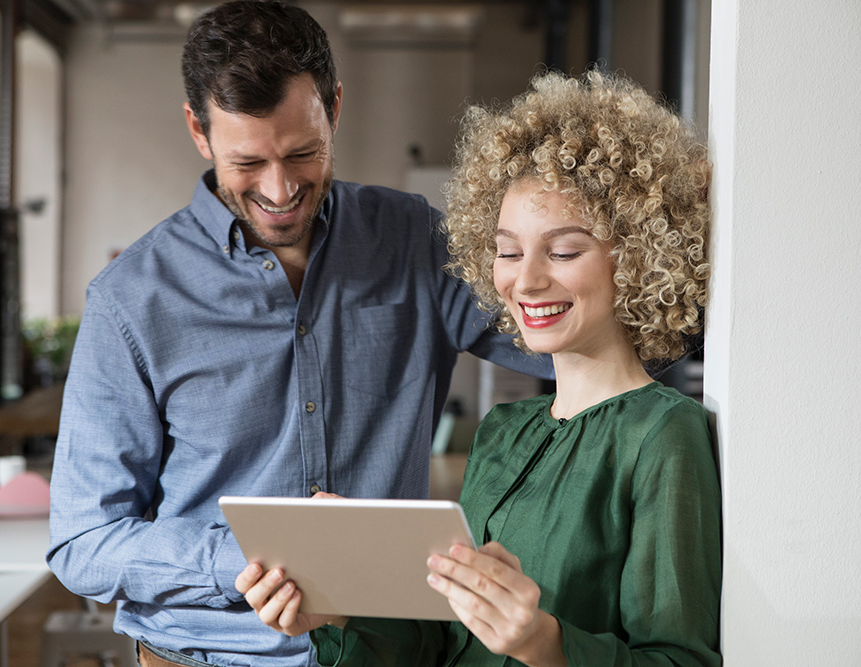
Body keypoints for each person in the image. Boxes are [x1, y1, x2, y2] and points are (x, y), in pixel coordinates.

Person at [46, 2, 552, 667]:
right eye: (248, 163)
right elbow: (84, 539)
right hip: (202, 654)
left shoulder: (412, 240)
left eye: (302, 153)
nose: (280, 189)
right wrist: (248, 558)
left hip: (379, 650)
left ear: (334, 108)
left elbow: (562, 342)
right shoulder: (129, 301)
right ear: (198, 130)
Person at [236, 70, 722, 666]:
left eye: (564, 250)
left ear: (641, 255)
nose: (527, 279)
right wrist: (339, 610)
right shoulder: (503, 430)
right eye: (508, 251)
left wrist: (542, 642)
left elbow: (681, 661)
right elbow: (442, 645)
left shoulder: (662, 436)